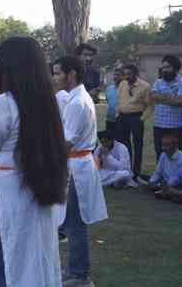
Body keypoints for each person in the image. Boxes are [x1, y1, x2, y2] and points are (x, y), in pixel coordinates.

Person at [0, 36, 68, 287]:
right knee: (32, 261)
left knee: (1, 262)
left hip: (4, 195)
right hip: (36, 191)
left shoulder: (4, 104)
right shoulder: (48, 104)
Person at [53, 55, 108, 287]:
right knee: (71, 221)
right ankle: (75, 268)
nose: (54, 77)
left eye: (57, 72)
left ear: (71, 74)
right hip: (75, 165)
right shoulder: (75, 98)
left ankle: (79, 274)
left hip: (77, 167)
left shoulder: (77, 103)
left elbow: (66, 144)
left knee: (75, 222)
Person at [115, 64, 150, 179]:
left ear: (136, 74)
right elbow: (118, 99)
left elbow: (150, 105)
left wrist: (142, 119)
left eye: (129, 74)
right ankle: (126, 170)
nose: (126, 77)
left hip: (136, 118)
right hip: (122, 117)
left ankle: (136, 172)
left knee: (138, 144)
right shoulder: (122, 84)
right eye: (125, 74)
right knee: (124, 145)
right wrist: (117, 114)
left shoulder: (145, 86)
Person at [151, 55, 182, 155]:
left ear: (176, 68)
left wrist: (161, 98)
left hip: (176, 126)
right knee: (160, 153)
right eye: (163, 67)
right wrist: (173, 98)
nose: (164, 70)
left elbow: (180, 101)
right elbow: (153, 96)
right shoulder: (158, 82)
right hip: (159, 125)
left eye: (168, 67)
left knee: (177, 154)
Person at [104, 68, 123, 133]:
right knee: (109, 140)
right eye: (114, 75)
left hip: (121, 120)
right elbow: (107, 101)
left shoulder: (126, 89)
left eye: (118, 75)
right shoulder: (109, 88)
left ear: (123, 77)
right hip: (109, 120)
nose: (115, 77)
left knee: (120, 140)